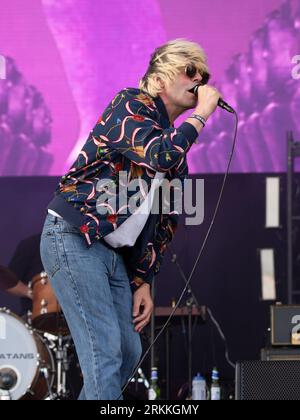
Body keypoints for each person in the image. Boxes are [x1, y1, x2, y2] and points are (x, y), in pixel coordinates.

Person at [40, 38, 221, 400]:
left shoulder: (176, 153)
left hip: (114, 256)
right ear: (157, 80)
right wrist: (201, 116)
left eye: (204, 73)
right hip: (75, 237)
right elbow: (159, 155)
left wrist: (143, 282)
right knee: (105, 349)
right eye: (190, 70)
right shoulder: (130, 105)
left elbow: (163, 224)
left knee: (127, 350)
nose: (199, 78)